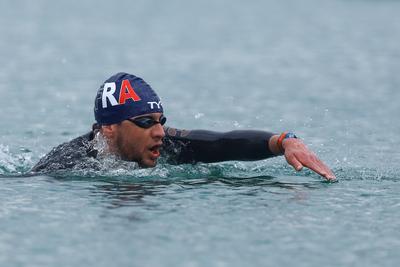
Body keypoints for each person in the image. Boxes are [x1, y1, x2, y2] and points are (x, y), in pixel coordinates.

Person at [32, 72, 336, 180]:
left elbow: (220, 144)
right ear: (108, 128)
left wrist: (285, 141)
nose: (160, 132)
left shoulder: (167, 145)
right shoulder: (67, 166)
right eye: (145, 123)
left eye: (161, 122)